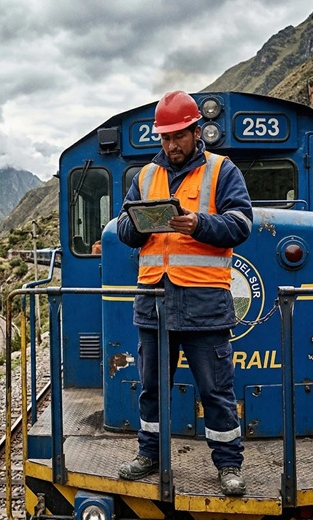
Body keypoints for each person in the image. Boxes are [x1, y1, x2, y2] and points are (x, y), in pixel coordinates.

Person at [116, 90, 253, 496]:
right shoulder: (144, 177)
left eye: (178, 136)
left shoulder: (222, 171)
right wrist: (142, 223)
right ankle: (149, 454)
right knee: (152, 389)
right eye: (165, 138)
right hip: (154, 305)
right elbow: (124, 230)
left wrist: (200, 225)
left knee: (216, 391)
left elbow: (241, 224)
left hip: (204, 307)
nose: (171, 145)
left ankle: (229, 465)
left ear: (196, 132)